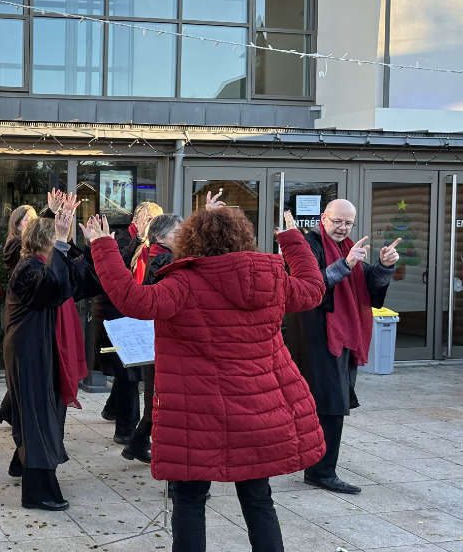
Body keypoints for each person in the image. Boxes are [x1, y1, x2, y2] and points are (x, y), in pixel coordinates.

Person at [84, 203, 326, 552]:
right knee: (258, 498)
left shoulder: (183, 283)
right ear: (244, 238)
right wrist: (291, 239)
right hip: (257, 412)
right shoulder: (270, 280)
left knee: (189, 500)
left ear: (190, 240)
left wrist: (102, 245)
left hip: (198, 415)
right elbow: (313, 288)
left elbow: (132, 300)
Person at [285, 199, 399, 495]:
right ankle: (321, 472)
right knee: (331, 405)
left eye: (348, 223)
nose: (342, 227)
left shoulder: (347, 246)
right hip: (316, 336)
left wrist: (385, 267)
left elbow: (367, 288)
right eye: (337, 221)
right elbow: (311, 286)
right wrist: (346, 264)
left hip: (343, 336)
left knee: (329, 404)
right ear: (323, 218)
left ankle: (317, 467)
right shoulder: (308, 244)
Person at [3, 197, 100, 512]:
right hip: (29, 353)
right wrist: (60, 243)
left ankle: (29, 472)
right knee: (37, 418)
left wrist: (90, 246)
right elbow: (54, 285)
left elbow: (83, 283)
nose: (61, 243)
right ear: (44, 242)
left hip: (43, 349)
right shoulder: (28, 268)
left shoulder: (43, 264)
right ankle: (36, 492)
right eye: (56, 240)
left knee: (46, 415)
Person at [98, 201, 163, 444]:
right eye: (147, 219)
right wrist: (139, 239)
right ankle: (126, 431)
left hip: (142, 313)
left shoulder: (156, 244)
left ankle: (112, 409)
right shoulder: (123, 238)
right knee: (129, 374)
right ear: (136, 219)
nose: (150, 224)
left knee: (128, 369)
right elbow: (119, 265)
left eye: (153, 220)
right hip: (119, 314)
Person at [120, 213, 182, 464]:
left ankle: (137, 444)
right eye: (177, 233)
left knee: (156, 395)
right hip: (159, 335)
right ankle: (146, 447)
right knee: (159, 395)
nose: (182, 237)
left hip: (155, 334)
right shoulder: (163, 258)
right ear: (160, 236)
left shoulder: (155, 254)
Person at [0, 203, 38, 426]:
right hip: (19, 309)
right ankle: (10, 411)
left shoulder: (28, 243)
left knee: (25, 365)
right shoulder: (15, 244)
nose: (32, 222)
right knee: (22, 365)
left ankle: (6, 410)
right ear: (17, 224)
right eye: (27, 219)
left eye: (34, 218)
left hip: (28, 308)